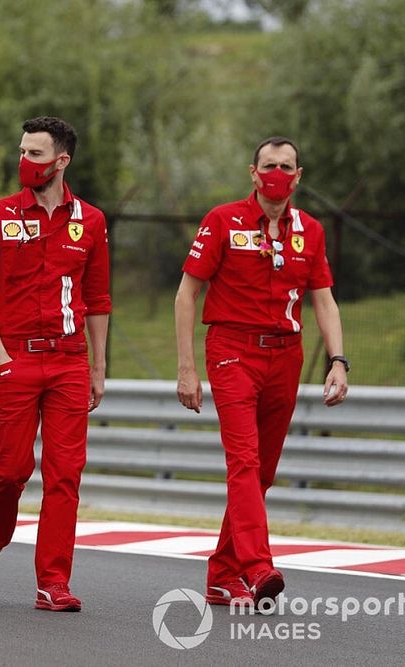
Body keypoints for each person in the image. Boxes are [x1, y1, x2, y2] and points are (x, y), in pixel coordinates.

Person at [174, 136, 349, 608]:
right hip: (232, 350)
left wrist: (338, 359)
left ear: (299, 175)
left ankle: (221, 574)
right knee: (244, 463)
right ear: (253, 173)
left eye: (285, 165)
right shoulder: (223, 220)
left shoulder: (309, 230)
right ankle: (257, 566)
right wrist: (187, 369)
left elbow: (324, 297)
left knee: (263, 472)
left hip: (285, 355)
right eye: (268, 165)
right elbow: (187, 294)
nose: (277, 172)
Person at [0, 116, 111, 612]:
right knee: (10, 471)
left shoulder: (90, 220)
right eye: (22, 152)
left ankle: (53, 582)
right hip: (16, 358)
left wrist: (97, 366)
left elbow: (99, 297)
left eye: (35, 154)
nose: (24, 161)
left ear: (61, 161)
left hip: (70, 361)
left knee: (65, 473)